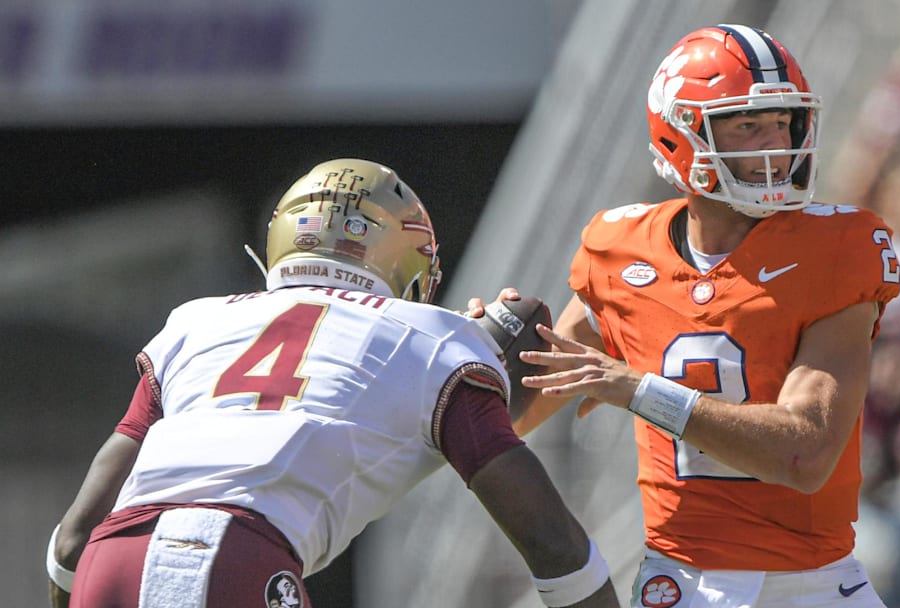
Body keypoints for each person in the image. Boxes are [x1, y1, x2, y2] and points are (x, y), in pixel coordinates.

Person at [46, 158, 619, 608]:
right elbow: (551, 542)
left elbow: (73, 540)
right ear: (412, 261)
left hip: (109, 563)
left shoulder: (195, 321)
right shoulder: (436, 340)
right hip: (235, 558)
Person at [470, 24, 900, 607]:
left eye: (784, 123)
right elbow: (513, 413)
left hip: (814, 585)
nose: (776, 145)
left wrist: (641, 391)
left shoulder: (838, 247)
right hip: (681, 582)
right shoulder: (621, 250)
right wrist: (469, 354)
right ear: (681, 137)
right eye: (748, 125)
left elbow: (805, 453)